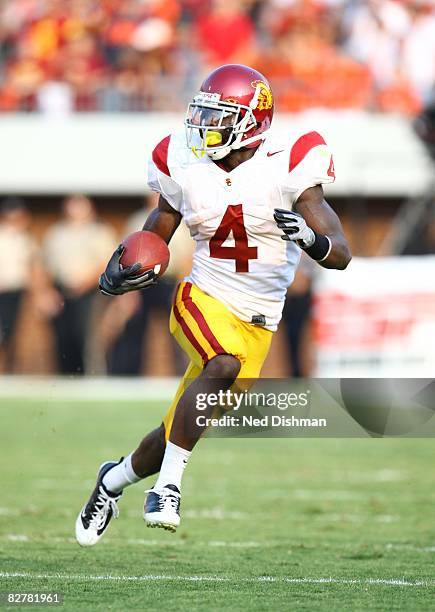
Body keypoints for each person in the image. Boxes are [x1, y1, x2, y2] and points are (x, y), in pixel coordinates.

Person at [75, 63, 351, 546]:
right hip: (202, 295)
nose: (205, 125)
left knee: (175, 431)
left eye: (218, 116)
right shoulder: (180, 159)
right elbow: (162, 220)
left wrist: (310, 238)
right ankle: (167, 490)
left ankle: (112, 480)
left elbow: (341, 253)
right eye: (203, 113)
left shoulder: (290, 162)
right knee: (220, 365)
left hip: (259, 319)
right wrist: (132, 261)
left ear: (250, 121)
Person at [43, 194, 116, 374]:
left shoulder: (99, 232)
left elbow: (106, 262)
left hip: (90, 292)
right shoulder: (57, 233)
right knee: (64, 338)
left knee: (87, 338)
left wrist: (84, 283)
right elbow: (45, 265)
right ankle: (67, 377)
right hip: (62, 291)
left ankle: (90, 376)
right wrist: (47, 291)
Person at [0, 198, 38, 371]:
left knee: (10, 334)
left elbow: (32, 268)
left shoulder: (25, 240)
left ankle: (8, 370)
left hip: (16, 293)